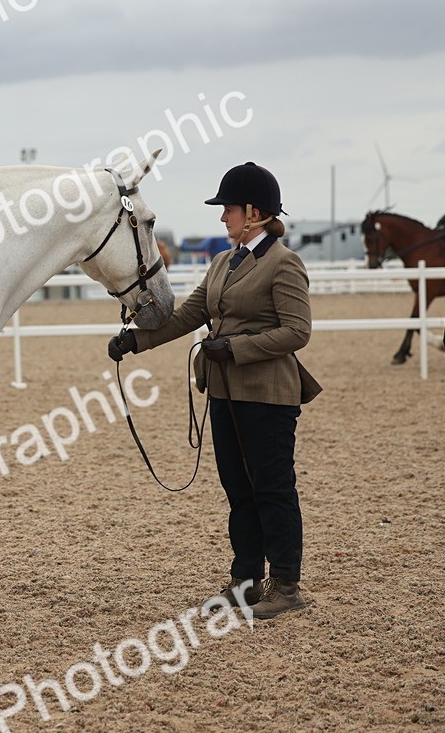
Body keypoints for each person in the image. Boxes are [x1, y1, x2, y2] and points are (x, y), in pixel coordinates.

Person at [108, 162, 321, 619]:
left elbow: (297, 332)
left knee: (273, 489)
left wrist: (236, 348)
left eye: (229, 210)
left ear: (255, 213)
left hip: (267, 394)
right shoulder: (223, 262)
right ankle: (246, 581)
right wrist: (136, 341)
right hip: (223, 392)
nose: (223, 218)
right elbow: (188, 315)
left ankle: (286, 586)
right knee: (238, 491)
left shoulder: (284, 263)